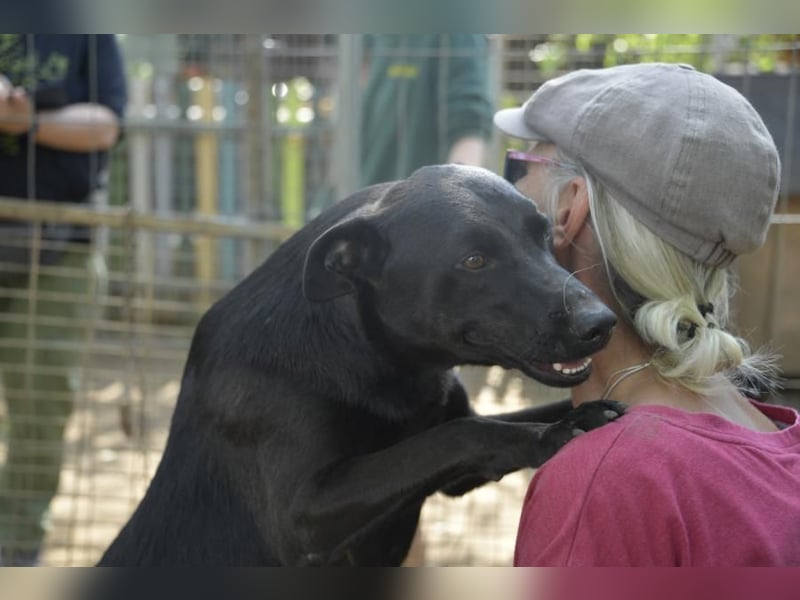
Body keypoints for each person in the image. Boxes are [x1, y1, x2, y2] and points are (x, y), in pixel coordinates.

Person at [494, 62, 800, 566]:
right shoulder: (770, 439)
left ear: (570, 210)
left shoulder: (608, 483)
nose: (507, 190)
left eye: (519, 168)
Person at [0, 34, 127, 566]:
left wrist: (24, 121)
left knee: (40, 400)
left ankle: (16, 544)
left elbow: (105, 125)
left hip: (60, 246)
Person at [360, 34, 494, 186]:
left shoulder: (460, 36)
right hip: (368, 192)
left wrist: (457, 195)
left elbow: (470, 127)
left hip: (426, 197)